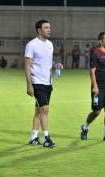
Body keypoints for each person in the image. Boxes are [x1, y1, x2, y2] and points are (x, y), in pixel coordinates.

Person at [24, 19, 63, 148]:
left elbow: (48, 61)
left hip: (48, 82)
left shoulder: (50, 44)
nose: (49, 29)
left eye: (49, 27)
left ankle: (33, 137)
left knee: (38, 111)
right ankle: (46, 138)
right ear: (39, 30)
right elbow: (27, 65)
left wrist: (56, 64)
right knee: (45, 109)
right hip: (37, 82)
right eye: (46, 27)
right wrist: (29, 85)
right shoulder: (31, 45)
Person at [80, 32, 105, 142]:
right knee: (96, 112)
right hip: (99, 87)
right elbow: (92, 72)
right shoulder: (95, 54)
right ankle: (85, 127)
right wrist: (95, 86)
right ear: (100, 41)